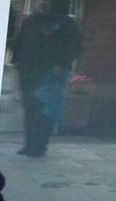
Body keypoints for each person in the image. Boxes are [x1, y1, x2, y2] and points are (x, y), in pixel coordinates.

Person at [13, 0, 81, 157]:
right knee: (30, 108)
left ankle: (40, 145)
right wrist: (17, 61)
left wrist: (62, 65)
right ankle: (29, 145)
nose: (42, 4)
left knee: (46, 110)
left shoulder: (67, 24)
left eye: (46, 2)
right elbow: (20, 42)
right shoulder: (32, 21)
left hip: (51, 73)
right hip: (29, 71)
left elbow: (74, 47)